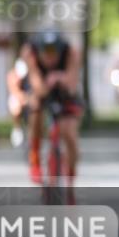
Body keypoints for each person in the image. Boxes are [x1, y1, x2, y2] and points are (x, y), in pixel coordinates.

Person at [22, 31, 83, 185]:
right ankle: (34, 155)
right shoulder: (30, 53)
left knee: (69, 132)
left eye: (53, 53)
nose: (50, 58)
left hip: (64, 91)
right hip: (41, 89)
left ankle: (70, 176)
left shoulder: (71, 53)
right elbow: (37, 86)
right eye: (46, 53)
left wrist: (59, 78)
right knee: (35, 108)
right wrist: (46, 84)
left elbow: (72, 85)